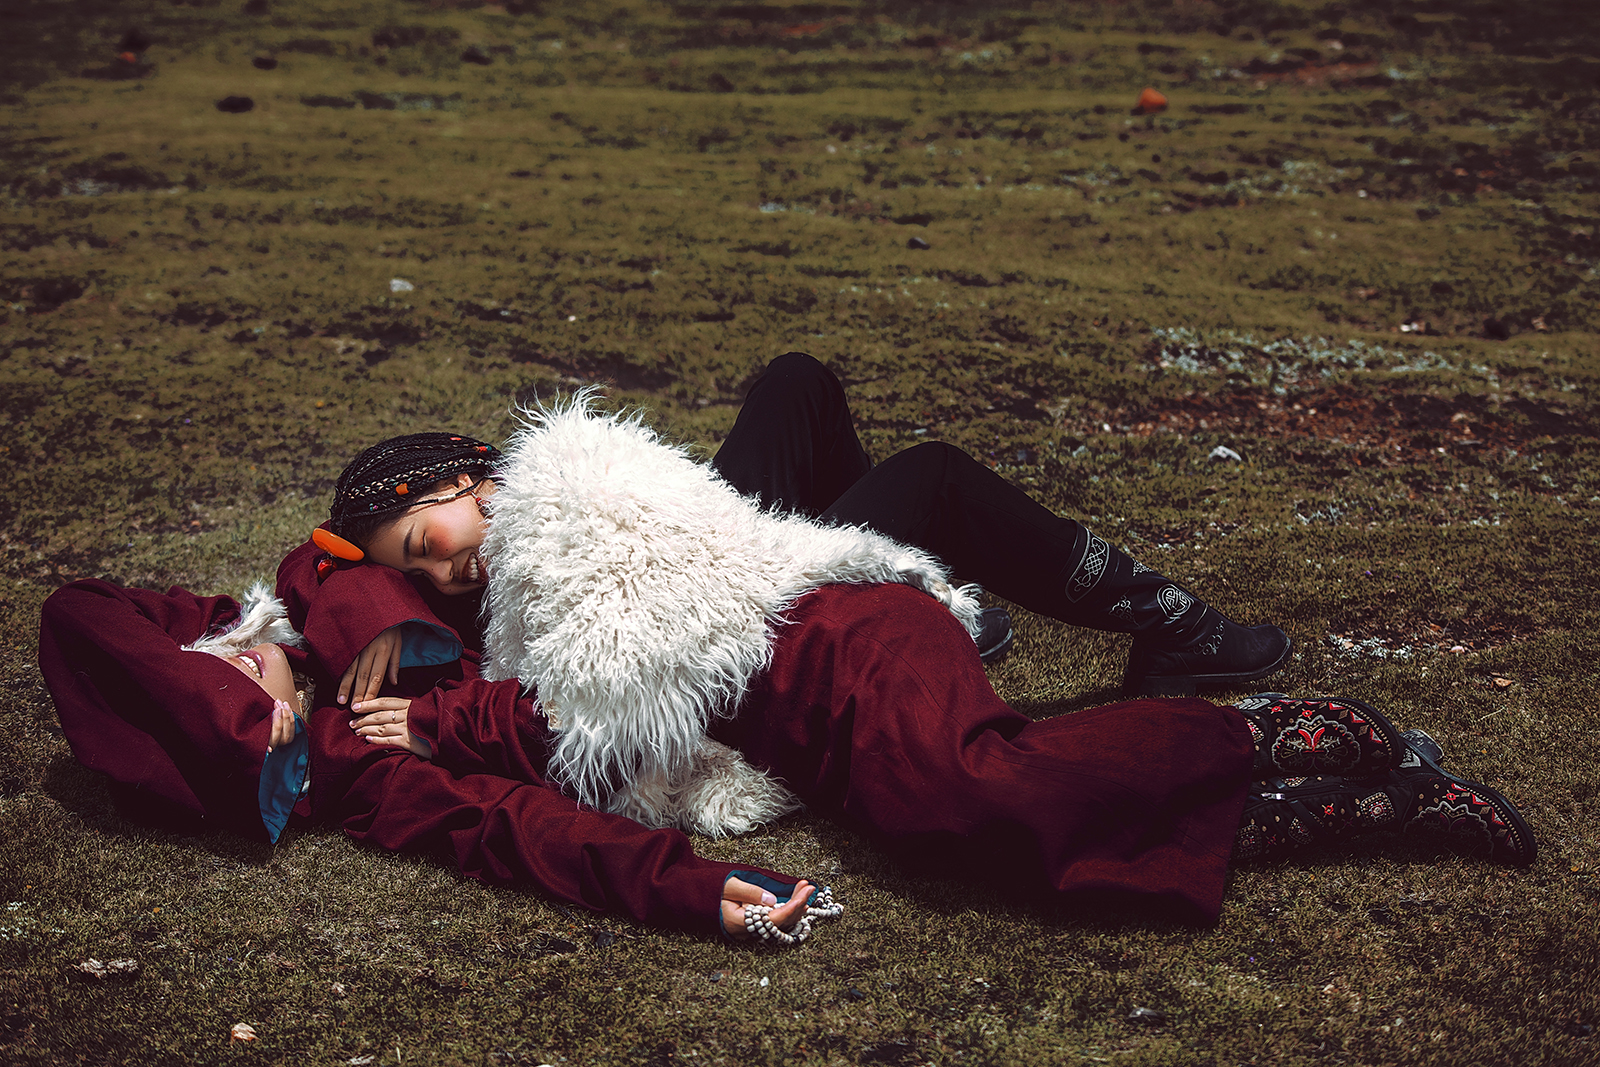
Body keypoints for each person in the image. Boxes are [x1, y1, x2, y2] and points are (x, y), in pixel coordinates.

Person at [270, 356, 1534, 924]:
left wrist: (439, 717)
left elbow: (602, 703)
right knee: (965, 830)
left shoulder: (574, 497)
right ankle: (1338, 800)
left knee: (971, 789)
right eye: (412, 572)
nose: (443, 568)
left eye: (431, 534)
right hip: (795, 685)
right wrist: (363, 603)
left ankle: (1285, 734)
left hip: (838, 637)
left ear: (468, 475)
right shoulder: (502, 586)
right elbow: (308, 579)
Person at [37, 578, 840, 944]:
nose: (242, 666)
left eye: (225, 660)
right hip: (699, 687)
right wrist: (691, 888)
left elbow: (74, 610)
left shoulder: (312, 598)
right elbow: (503, 823)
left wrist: (363, 616)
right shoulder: (352, 760)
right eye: (240, 694)